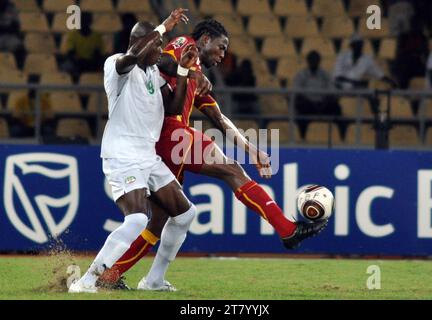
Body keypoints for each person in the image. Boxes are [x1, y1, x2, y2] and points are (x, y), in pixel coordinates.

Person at [98, 19, 328, 291]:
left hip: (164, 143)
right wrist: (190, 71)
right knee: (231, 170)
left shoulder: (198, 81)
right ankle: (287, 230)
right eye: (221, 48)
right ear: (205, 39)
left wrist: (251, 149)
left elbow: (220, 119)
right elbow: (157, 61)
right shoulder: (186, 44)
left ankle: (118, 276)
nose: (222, 56)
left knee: (162, 219)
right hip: (170, 134)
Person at [68, 9, 199, 293]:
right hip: (122, 155)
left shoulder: (153, 72)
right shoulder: (117, 65)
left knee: (186, 214)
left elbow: (174, 108)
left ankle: (153, 280)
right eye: (157, 46)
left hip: (147, 156)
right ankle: (87, 280)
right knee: (138, 218)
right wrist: (164, 27)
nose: (161, 52)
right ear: (141, 43)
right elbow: (134, 56)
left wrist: (184, 71)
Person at [293, 50, 342, 138]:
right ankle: (302, 137)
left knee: (337, 108)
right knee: (300, 106)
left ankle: (340, 137)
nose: (314, 62)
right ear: (308, 61)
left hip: (323, 104)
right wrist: (310, 102)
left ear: (319, 61)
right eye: (312, 60)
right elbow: (298, 92)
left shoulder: (325, 75)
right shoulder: (301, 75)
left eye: (316, 60)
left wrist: (324, 102)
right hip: (308, 105)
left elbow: (331, 91)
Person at [61, 12, 105, 80]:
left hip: (92, 63)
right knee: (67, 66)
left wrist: (91, 62)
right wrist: (79, 61)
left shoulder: (96, 36)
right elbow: (71, 53)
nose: (84, 22)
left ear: (90, 21)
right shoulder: (73, 35)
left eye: (86, 20)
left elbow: (98, 54)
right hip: (77, 63)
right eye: (82, 20)